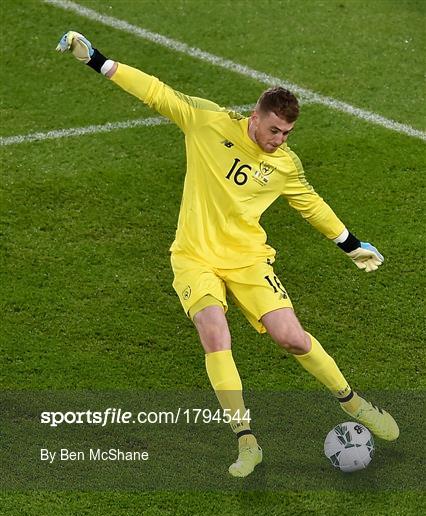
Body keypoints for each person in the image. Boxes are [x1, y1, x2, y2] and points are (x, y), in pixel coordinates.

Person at [56, 32, 399, 478]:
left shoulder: (284, 165)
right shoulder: (207, 121)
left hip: (248, 259)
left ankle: (354, 402)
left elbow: (309, 203)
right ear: (255, 117)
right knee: (214, 333)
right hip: (194, 256)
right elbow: (156, 91)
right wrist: (96, 59)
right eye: (274, 129)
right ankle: (247, 441)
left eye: (287, 133)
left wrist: (351, 244)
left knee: (291, 337)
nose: (279, 140)